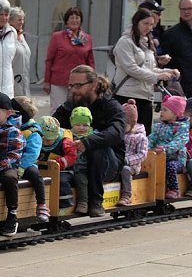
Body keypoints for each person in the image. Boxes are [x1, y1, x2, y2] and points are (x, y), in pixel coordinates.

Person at [52, 65, 127, 217]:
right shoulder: (69, 107)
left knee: (98, 147)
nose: (73, 90)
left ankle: (96, 202)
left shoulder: (111, 106)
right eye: (71, 86)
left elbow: (117, 131)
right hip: (76, 162)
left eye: (78, 86)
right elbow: (52, 124)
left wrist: (88, 141)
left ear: (93, 85)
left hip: (108, 164)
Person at [111, 7, 179, 134]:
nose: (148, 27)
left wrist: (169, 72)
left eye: (151, 24)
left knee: (144, 136)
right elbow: (131, 68)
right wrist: (157, 77)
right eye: (145, 23)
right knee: (125, 135)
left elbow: (150, 69)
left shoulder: (147, 43)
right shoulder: (124, 42)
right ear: (136, 22)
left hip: (145, 96)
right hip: (127, 95)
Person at [0, 92, 25, 236]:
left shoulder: (14, 132)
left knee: (9, 178)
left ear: (7, 113)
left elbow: (14, 155)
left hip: (6, 167)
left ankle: (12, 214)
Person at [44, 6, 94, 110]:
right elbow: (49, 60)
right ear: (66, 21)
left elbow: (90, 62)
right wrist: (47, 81)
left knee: (78, 109)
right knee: (58, 109)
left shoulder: (87, 39)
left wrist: (92, 82)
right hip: (59, 81)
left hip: (80, 82)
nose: (74, 20)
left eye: (77, 17)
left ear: (81, 20)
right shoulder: (57, 37)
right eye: (71, 18)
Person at [11, 95, 48, 223]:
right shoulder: (10, 126)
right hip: (11, 161)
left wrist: (21, 167)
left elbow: (33, 153)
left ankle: (42, 205)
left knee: (35, 175)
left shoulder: (33, 132)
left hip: (26, 164)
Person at [148, 95, 189, 199]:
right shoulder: (158, 126)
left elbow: (179, 142)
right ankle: (150, 189)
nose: (161, 112)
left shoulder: (181, 127)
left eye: (165, 110)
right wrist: (146, 148)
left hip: (175, 158)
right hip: (159, 155)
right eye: (161, 109)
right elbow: (152, 139)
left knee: (170, 166)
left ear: (175, 113)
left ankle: (174, 189)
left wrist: (164, 148)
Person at [38, 115, 76, 209]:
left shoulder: (65, 141)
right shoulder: (37, 141)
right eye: (44, 140)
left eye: (50, 140)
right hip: (44, 169)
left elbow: (72, 156)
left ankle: (65, 204)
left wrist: (58, 163)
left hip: (64, 170)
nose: (46, 142)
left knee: (61, 181)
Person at [118, 98, 148, 206]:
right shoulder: (119, 134)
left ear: (131, 123)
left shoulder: (140, 137)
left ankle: (127, 196)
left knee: (125, 170)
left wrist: (128, 160)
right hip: (119, 161)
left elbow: (142, 154)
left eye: (123, 125)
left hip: (133, 165)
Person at [69, 106, 94, 213]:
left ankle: (83, 203)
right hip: (70, 166)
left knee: (81, 180)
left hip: (84, 168)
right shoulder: (68, 137)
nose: (81, 128)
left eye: (85, 125)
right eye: (78, 125)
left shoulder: (92, 137)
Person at [10, 7, 32, 97]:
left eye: (22, 20)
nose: (22, 22)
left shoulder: (22, 36)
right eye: (19, 20)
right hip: (13, 82)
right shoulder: (9, 36)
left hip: (24, 82)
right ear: (10, 21)